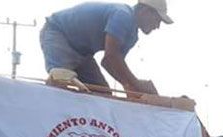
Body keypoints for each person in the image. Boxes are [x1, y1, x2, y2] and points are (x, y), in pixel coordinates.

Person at [40, 0, 172, 94]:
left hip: (83, 53)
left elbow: (110, 64)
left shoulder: (132, 37)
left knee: (103, 95)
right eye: (157, 20)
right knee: (61, 80)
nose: (157, 26)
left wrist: (129, 86)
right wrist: (137, 84)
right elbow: (111, 57)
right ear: (145, 11)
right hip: (59, 33)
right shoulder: (123, 15)